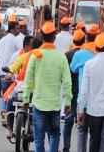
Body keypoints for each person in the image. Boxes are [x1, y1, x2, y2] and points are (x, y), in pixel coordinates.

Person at [23, 21, 72, 152]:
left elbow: (28, 80)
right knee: (55, 134)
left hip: (39, 104)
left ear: (41, 36)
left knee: (39, 137)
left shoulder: (36, 55)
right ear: (54, 37)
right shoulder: (61, 57)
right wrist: (67, 102)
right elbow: (67, 82)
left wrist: (25, 99)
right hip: (55, 105)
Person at [70, 24, 100, 152]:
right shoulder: (103, 54)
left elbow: (73, 69)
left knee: (81, 130)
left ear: (86, 37)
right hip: (97, 101)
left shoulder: (79, 54)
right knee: (94, 133)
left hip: (82, 99)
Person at [62, 29, 85, 152]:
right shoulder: (85, 54)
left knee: (68, 122)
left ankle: (66, 148)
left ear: (74, 40)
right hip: (82, 92)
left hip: (70, 91)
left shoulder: (68, 55)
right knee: (82, 124)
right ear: (83, 40)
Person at [0, 21, 21, 119]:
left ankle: (4, 113)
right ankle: (9, 115)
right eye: (17, 28)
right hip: (12, 72)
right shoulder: (17, 40)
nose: (19, 30)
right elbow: (21, 54)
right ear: (12, 29)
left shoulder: (2, 40)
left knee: (5, 94)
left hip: (2, 71)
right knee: (12, 95)